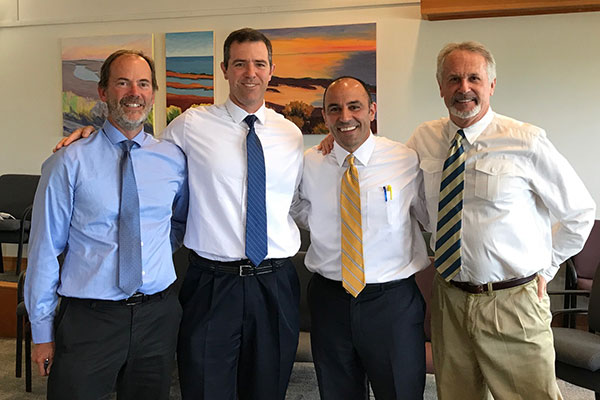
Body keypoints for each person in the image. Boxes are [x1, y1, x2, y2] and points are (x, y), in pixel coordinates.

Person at [54, 28, 303, 400]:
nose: (250, 72)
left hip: (275, 281)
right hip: (212, 282)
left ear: (271, 70)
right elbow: (138, 150)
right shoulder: (191, 125)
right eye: (239, 63)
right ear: (224, 69)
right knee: (203, 387)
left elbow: (299, 199)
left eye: (259, 64)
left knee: (268, 387)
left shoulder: (291, 134)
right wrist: (92, 134)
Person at [405, 42, 596, 399]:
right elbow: (405, 190)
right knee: (457, 394)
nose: (464, 88)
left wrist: (548, 268)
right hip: (449, 298)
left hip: (513, 300)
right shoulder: (424, 139)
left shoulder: (526, 140)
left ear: (491, 85)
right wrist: (336, 147)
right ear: (440, 86)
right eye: (454, 78)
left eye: (474, 78)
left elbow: (579, 212)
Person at [25, 49, 188, 400]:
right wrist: (41, 331)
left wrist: (150, 251)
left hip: (157, 316)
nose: (135, 92)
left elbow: (179, 222)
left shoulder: (173, 159)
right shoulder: (68, 163)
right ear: (103, 92)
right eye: (123, 82)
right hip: (90, 320)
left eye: (143, 83)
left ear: (154, 94)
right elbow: (43, 250)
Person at [293, 76, 430, 399]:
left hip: (392, 303)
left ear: (372, 110)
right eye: (334, 109)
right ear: (324, 117)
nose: (345, 117)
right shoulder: (309, 162)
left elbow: (428, 214)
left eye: (354, 107)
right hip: (330, 302)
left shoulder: (406, 160)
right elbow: (296, 208)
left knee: (401, 392)